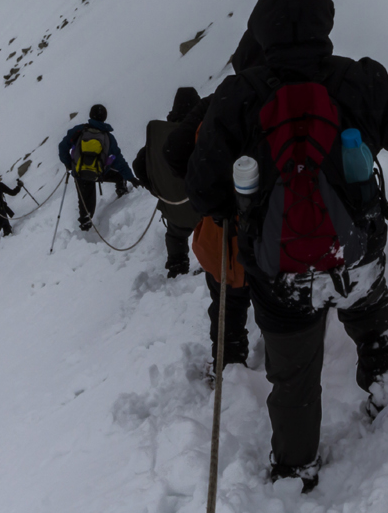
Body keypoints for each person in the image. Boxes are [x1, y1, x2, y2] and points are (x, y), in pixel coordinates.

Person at [185, 0, 388, 492]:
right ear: (326, 19)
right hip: (355, 253)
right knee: (372, 317)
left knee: (293, 380)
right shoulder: (359, 81)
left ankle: (295, 469)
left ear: (260, 25)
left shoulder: (237, 96)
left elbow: (202, 192)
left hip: (279, 272)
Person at [161, 30, 265, 376]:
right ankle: (283, 365)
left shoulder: (218, 101)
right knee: (280, 303)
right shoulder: (298, 93)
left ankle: (229, 365)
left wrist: (207, 191)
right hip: (285, 230)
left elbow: (174, 152)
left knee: (227, 304)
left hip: (226, 233)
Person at [132, 87, 203, 278]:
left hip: (174, 207)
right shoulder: (200, 131)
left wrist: (157, 189)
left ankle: (177, 267)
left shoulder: (160, 134)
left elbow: (138, 164)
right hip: (202, 209)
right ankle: (211, 261)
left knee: (176, 235)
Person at [58, 104, 139, 232]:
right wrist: (131, 178)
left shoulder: (79, 131)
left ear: (90, 115)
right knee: (118, 175)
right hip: (100, 172)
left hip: (80, 172)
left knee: (86, 203)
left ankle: (85, 228)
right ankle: (122, 192)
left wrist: (69, 164)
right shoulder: (108, 137)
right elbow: (119, 161)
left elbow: (62, 146)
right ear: (104, 117)